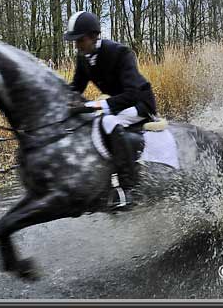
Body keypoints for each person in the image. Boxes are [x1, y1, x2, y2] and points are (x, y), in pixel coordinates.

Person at [65, 11, 157, 210]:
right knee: (94, 121)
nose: (77, 45)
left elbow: (132, 94)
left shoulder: (120, 53)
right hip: (118, 104)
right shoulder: (83, 57)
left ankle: (127, 187)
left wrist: (90, 105)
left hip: (140, 103)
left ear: (93, 36)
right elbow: (76, 87)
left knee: (107, 121)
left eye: (79, 40)